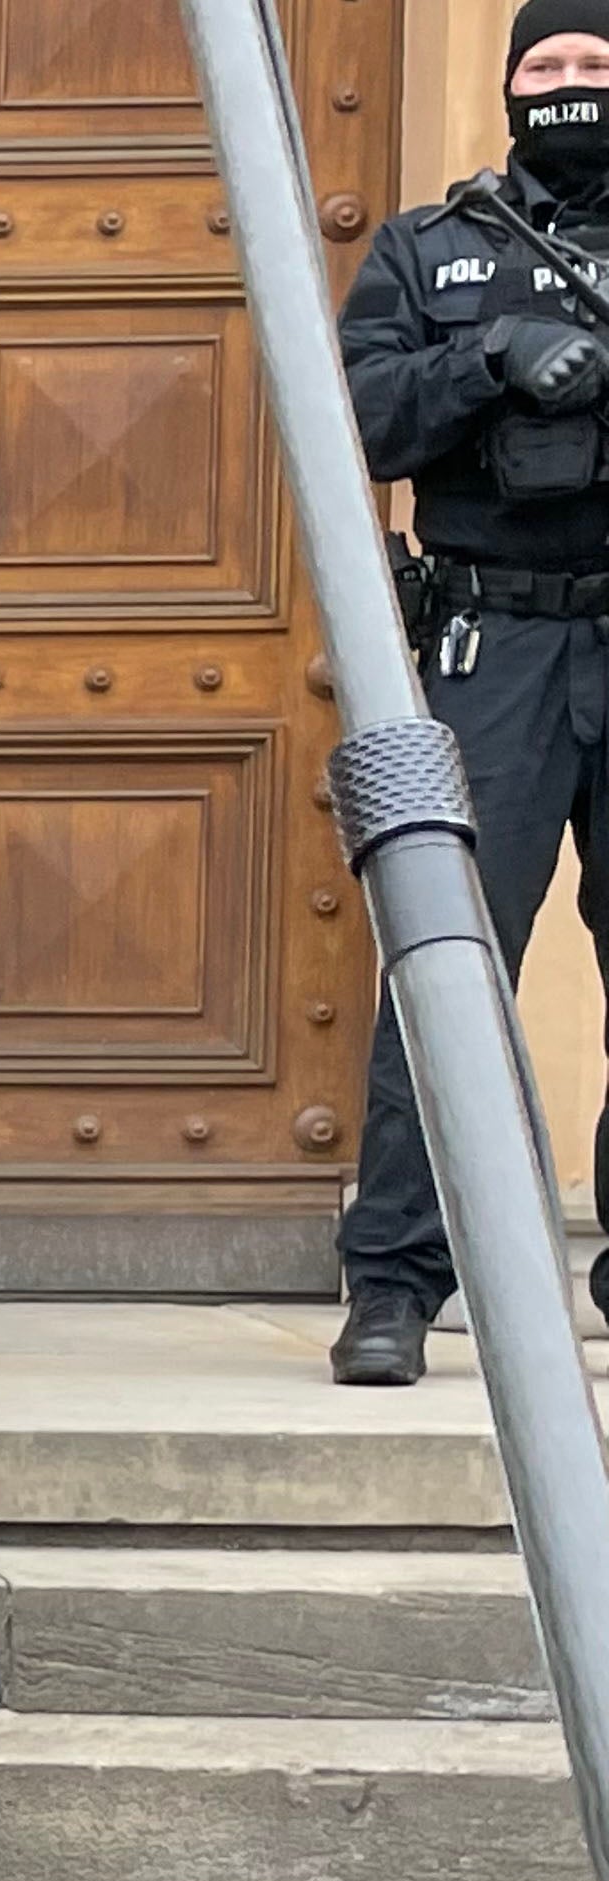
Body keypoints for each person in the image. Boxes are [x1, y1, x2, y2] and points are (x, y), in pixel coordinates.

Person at [331, 1, 609, 1385]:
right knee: (446, 969)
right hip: (491, 643)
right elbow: (358, 416)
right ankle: (392, 1282)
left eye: (593, 67)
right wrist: (486, 360)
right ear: (508, 87)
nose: (566, 87)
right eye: (544, 68)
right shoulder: (432, 247)